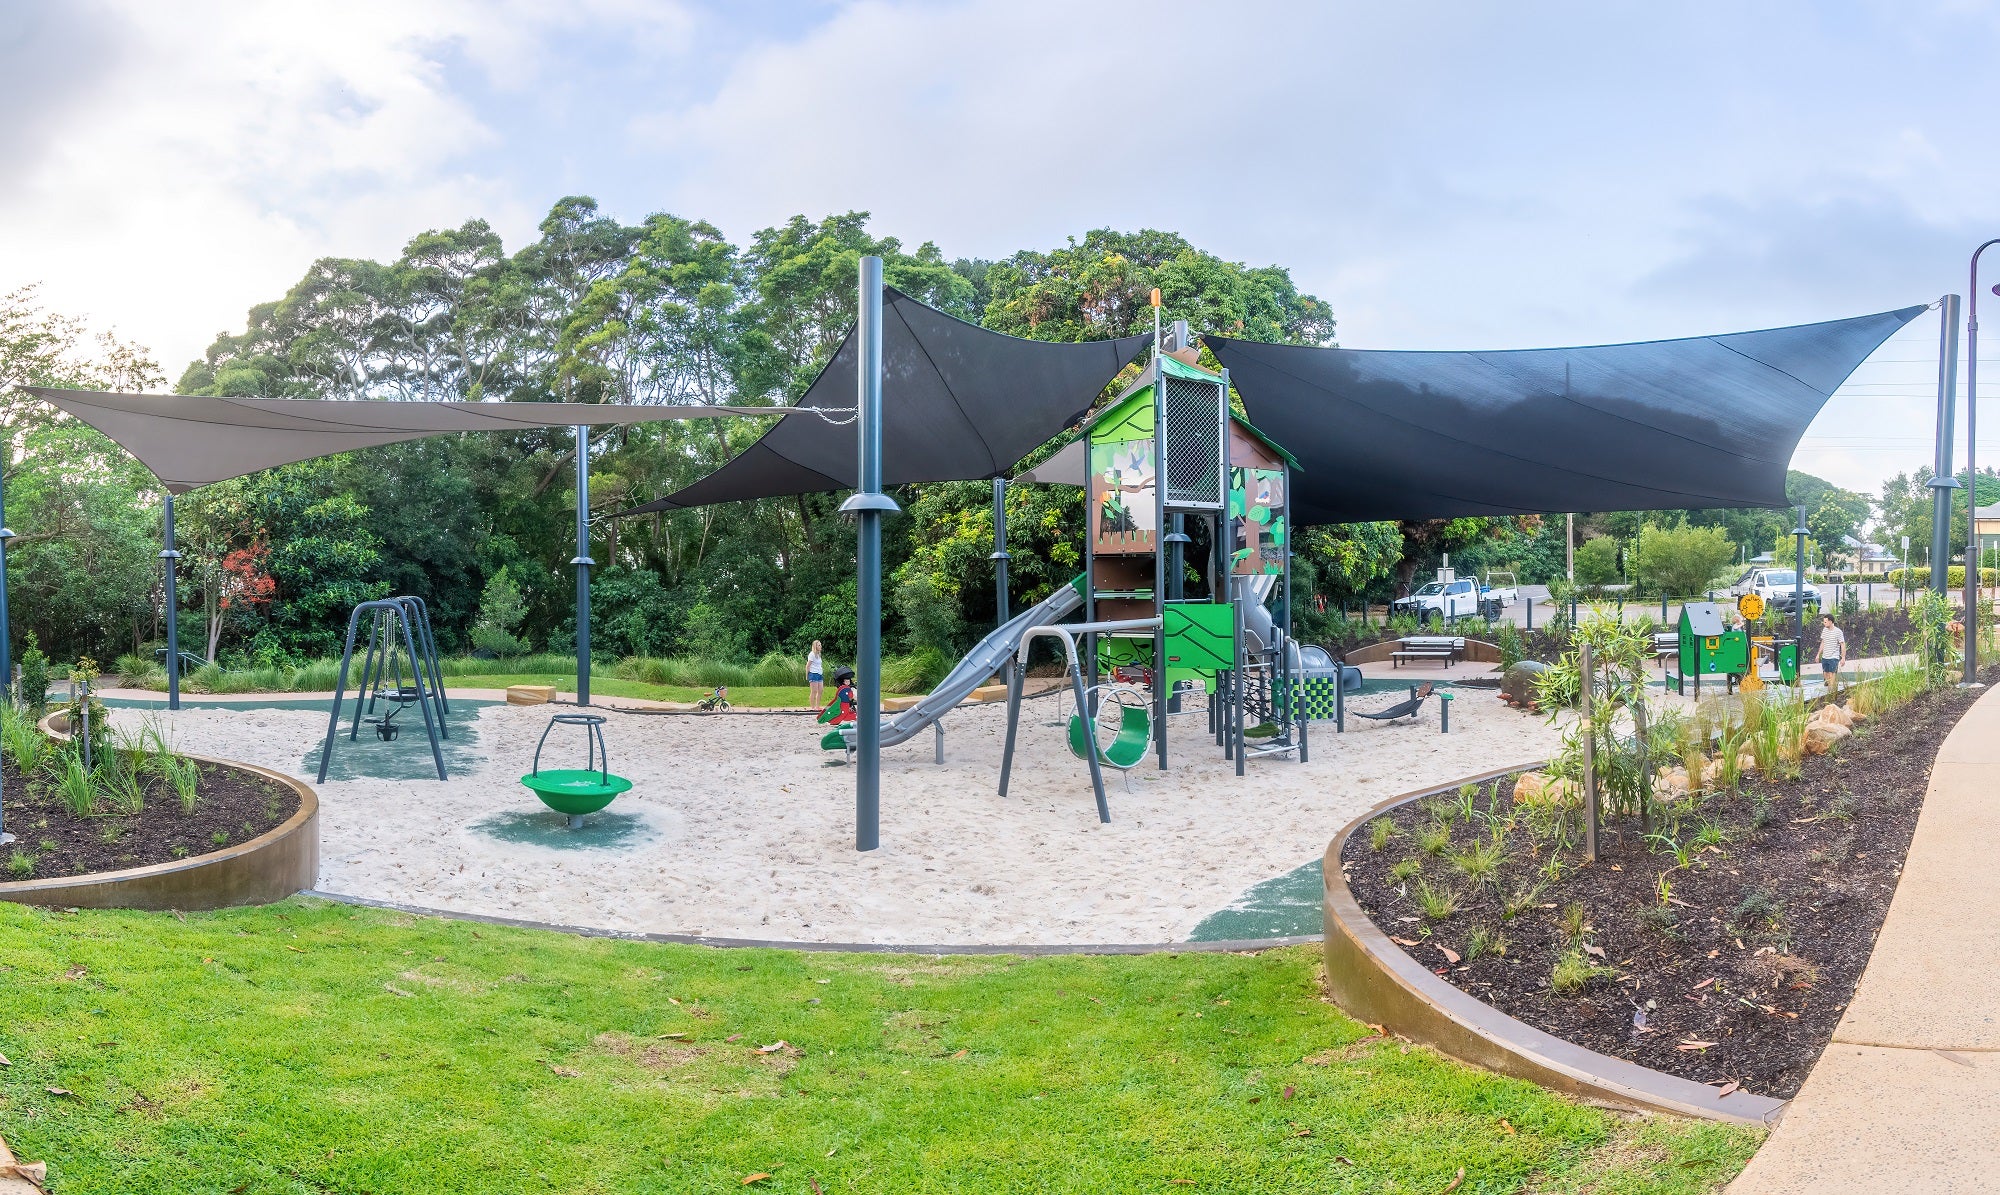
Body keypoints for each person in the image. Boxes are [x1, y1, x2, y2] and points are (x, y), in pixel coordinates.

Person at [1819, 613, 1846, 693]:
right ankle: (1829, 689)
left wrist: (1843, 657)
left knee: (1832, 674)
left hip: (1833, 657)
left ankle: (1832, 692)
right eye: (1824, 622)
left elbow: (1842, 644)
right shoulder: (1824, 630)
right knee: (1825, 674)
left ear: (1830, 621)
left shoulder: (1838, 632)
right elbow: (1823, 642)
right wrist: (1818, 654)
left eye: (1825, 622)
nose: (1824, 623)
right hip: (1825, 656)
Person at [807, 640, 825, 709]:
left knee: (820, 690)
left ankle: (817, 706)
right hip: (813, 674)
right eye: (819, 645)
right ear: (815, 646)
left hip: (819, 674)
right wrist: (807, 675)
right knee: (814, 691)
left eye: (820, 645)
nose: (821, 646)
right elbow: (808, 666)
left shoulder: (818, 654)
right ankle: (812, 707)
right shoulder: (812, 654)